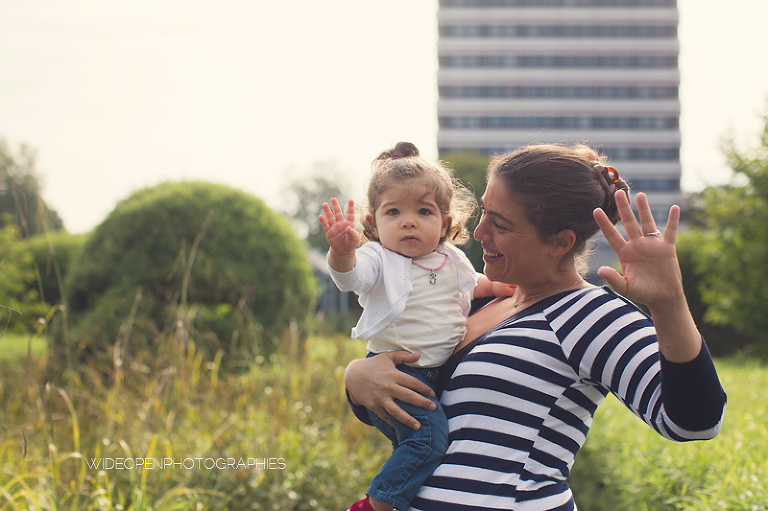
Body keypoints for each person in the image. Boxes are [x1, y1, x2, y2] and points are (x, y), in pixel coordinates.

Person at [343, 143, 727, 511]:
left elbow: (694, 423)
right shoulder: (474, 300)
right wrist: (358, 376)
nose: (479, 233)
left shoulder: (589, 315)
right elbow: (412, 395)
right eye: (484, 213)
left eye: (502, 224)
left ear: (560, 242)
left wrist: (670, 305)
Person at [319, 142, 514, 511]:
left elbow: (475, 285)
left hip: (433, 375)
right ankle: (375, 505)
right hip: (394, 373)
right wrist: (342, 254)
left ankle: (405, 501)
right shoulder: (379, 258)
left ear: (445, 223)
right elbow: (351, 278)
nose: (408, 221)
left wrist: (508, 288)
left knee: (415, 448)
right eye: (394, 212)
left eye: (423, 211)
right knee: (427, 443)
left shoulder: (450, 258)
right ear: (374, 224)